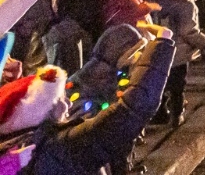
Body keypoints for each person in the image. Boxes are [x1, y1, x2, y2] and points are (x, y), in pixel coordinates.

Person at [25, 27, 176, 175]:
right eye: (136, 52)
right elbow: (128, 115)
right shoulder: (87, 95)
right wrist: (162, 43)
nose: (68, 103)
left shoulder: (111, 78)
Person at [150, 0, 205, 127]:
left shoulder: (160, 0)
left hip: (161, 52)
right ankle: (177, 115)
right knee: (178, 87)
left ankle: (160, 113)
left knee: (161, 85)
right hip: (178, 55)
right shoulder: (186, 5)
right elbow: (188, 31)